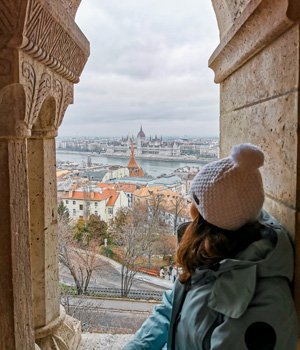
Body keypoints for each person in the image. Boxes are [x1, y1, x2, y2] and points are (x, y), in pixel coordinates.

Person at [124, 143, 298, 350]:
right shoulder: (210, 255)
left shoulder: (262, 302)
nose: (190, 210)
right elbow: (173, 308)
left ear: (206, 218)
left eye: (194, 204)